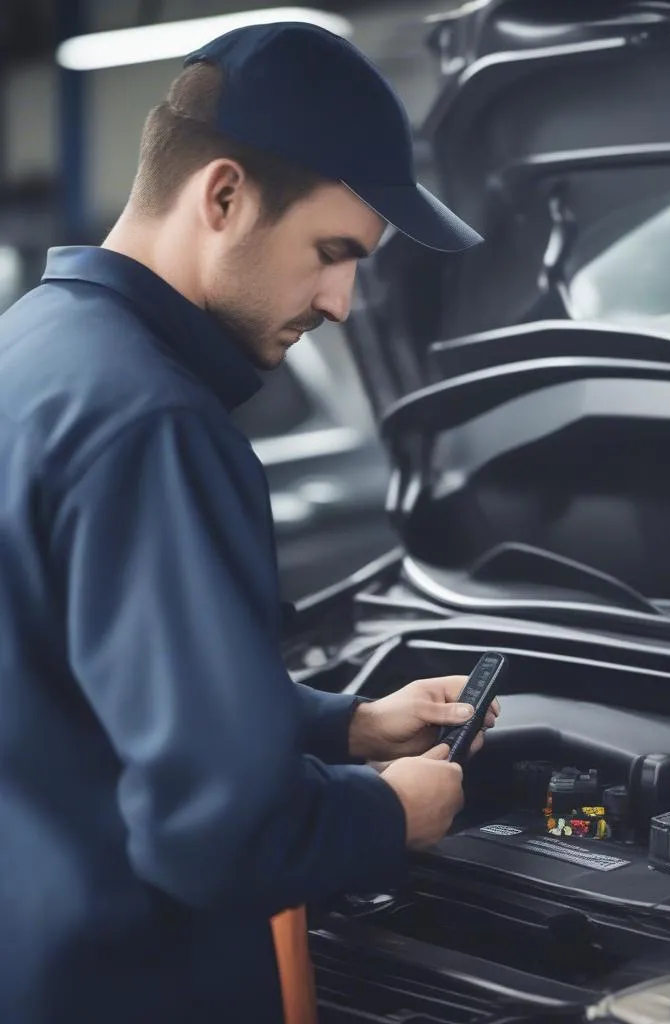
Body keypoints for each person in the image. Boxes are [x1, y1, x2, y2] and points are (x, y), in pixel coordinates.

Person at [0, 21, 493, 1024]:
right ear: (222, 197)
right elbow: (220, 836)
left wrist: (342, 723)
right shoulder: (156, 423)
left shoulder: (33, 353)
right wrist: (392, 808)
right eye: (331, 252)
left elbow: (67, 689)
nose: (344, 302)